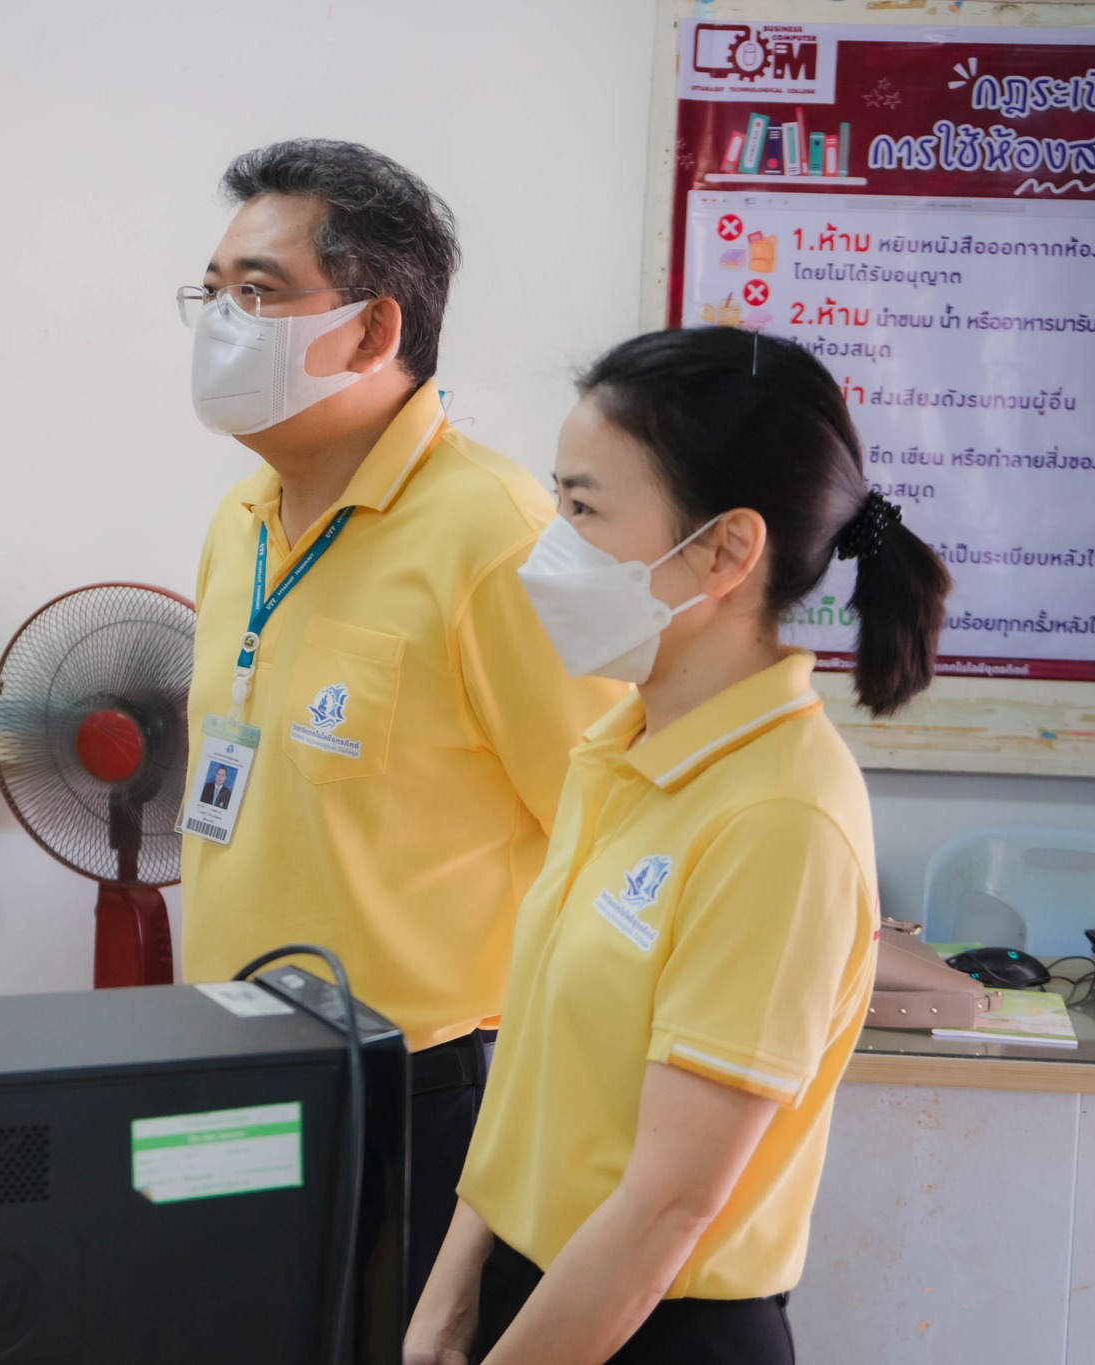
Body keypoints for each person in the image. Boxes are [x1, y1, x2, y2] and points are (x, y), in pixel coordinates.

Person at [404, 327, 952, 1365]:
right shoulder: (620, 747)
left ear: (723, 551)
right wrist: (451, 1284)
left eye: (581, 509)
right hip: (538, 1289)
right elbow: (535, 1076)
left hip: (651, 1327)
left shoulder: (778, 820)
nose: (545, 548)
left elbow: (663, 1209)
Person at [176, 139, 625, 1302]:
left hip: (419, 1087)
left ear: (374, 332)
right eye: (210, 291)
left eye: (258, 292)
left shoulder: (499, 536)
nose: (219, 321)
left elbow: (606, 831)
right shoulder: (240, 516)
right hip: (226, 1052)